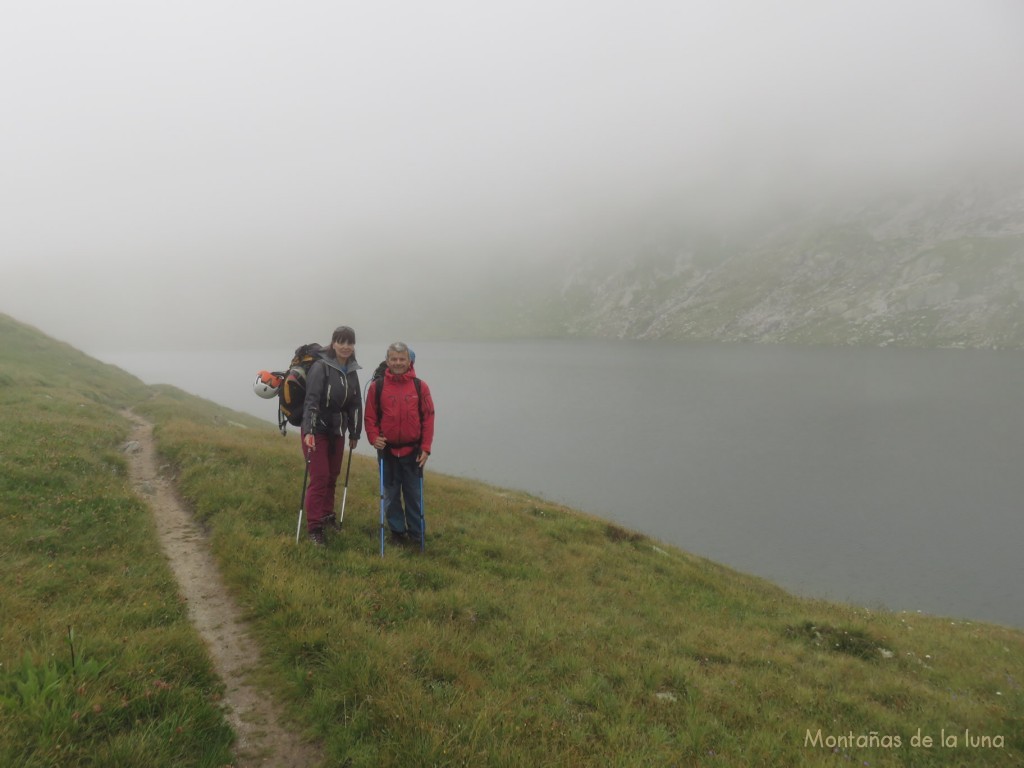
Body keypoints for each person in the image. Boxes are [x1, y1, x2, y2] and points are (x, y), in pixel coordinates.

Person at [364, 342, 435, 545]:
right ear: (387, 361)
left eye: (402, 359)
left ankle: (416, 535)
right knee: (391, 496)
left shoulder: (420, 387)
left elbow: (428, 418)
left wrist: (426, 447)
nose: (397, 363)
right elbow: (370, 417)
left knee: (413, 496)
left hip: (413, 452)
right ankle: (397, 533)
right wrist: (373, 437)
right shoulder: (377, 387)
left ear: (409, 361)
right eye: (393, 359)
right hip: (387, 452)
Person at [301, 325, 362, 545]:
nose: (345, 347)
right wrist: (308, 430)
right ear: (333, 343)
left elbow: (355, 403)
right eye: (341, 341)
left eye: (350, 342)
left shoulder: (352, 370)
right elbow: (311, 400)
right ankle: (314, 527)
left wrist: (355, 432)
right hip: (317, 430)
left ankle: (327, 515)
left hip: (338, 431)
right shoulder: (321, 367)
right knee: (319, 478)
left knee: (332, 476)